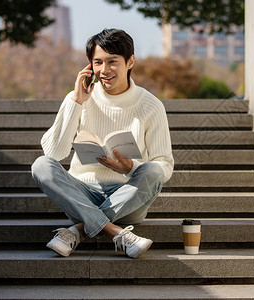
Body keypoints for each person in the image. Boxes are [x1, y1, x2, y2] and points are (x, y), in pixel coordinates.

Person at [31, 29, 174, 259]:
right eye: (97, 62)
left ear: (130, 62)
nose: (104, 70)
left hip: (128, 196)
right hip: (83, 194)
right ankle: (115, 232)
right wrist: (76, 102)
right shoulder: (78, 98)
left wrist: (130, 168)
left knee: (153, 170)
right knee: (41, 165)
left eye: (112, 62)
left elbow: (164, 166)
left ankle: (78, 230)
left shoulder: (151, 105)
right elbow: (54, 153)